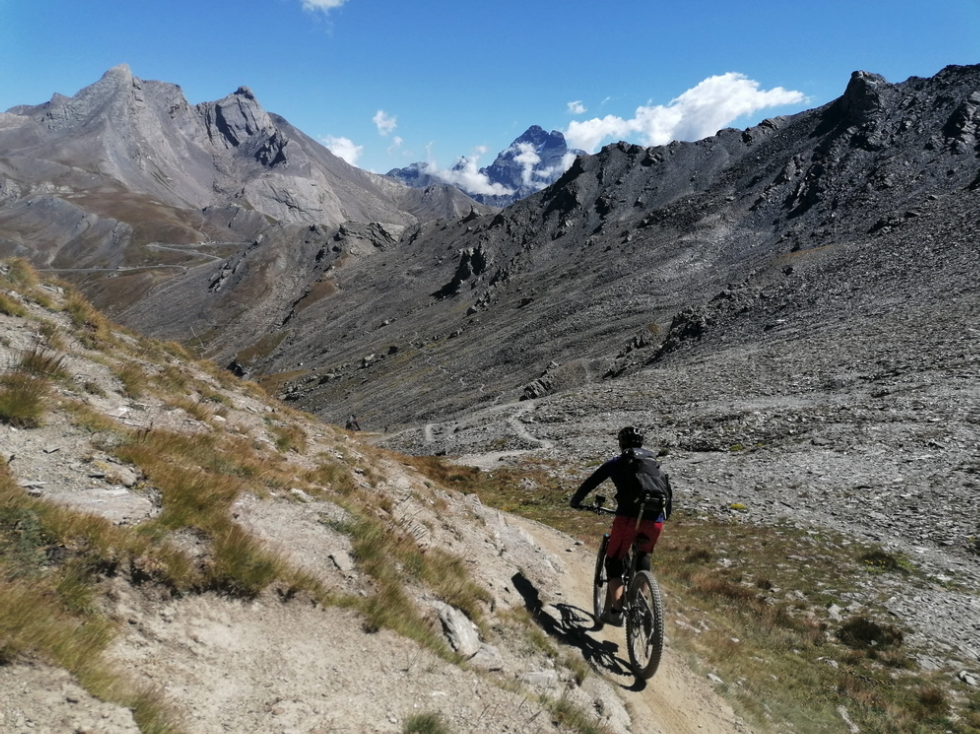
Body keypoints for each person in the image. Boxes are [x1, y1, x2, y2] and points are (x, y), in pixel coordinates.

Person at [569, 426, 671, 627]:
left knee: (614, 562)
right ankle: (640, 603)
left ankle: (616, 612)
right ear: (641, 443)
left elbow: (592, 482)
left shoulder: (618, 462)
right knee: (643, 555)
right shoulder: (654, 463)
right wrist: (661, 517)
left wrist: (576, 501)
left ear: (621, 443)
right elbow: (668, 494)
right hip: (655, 522)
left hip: (627, 520)